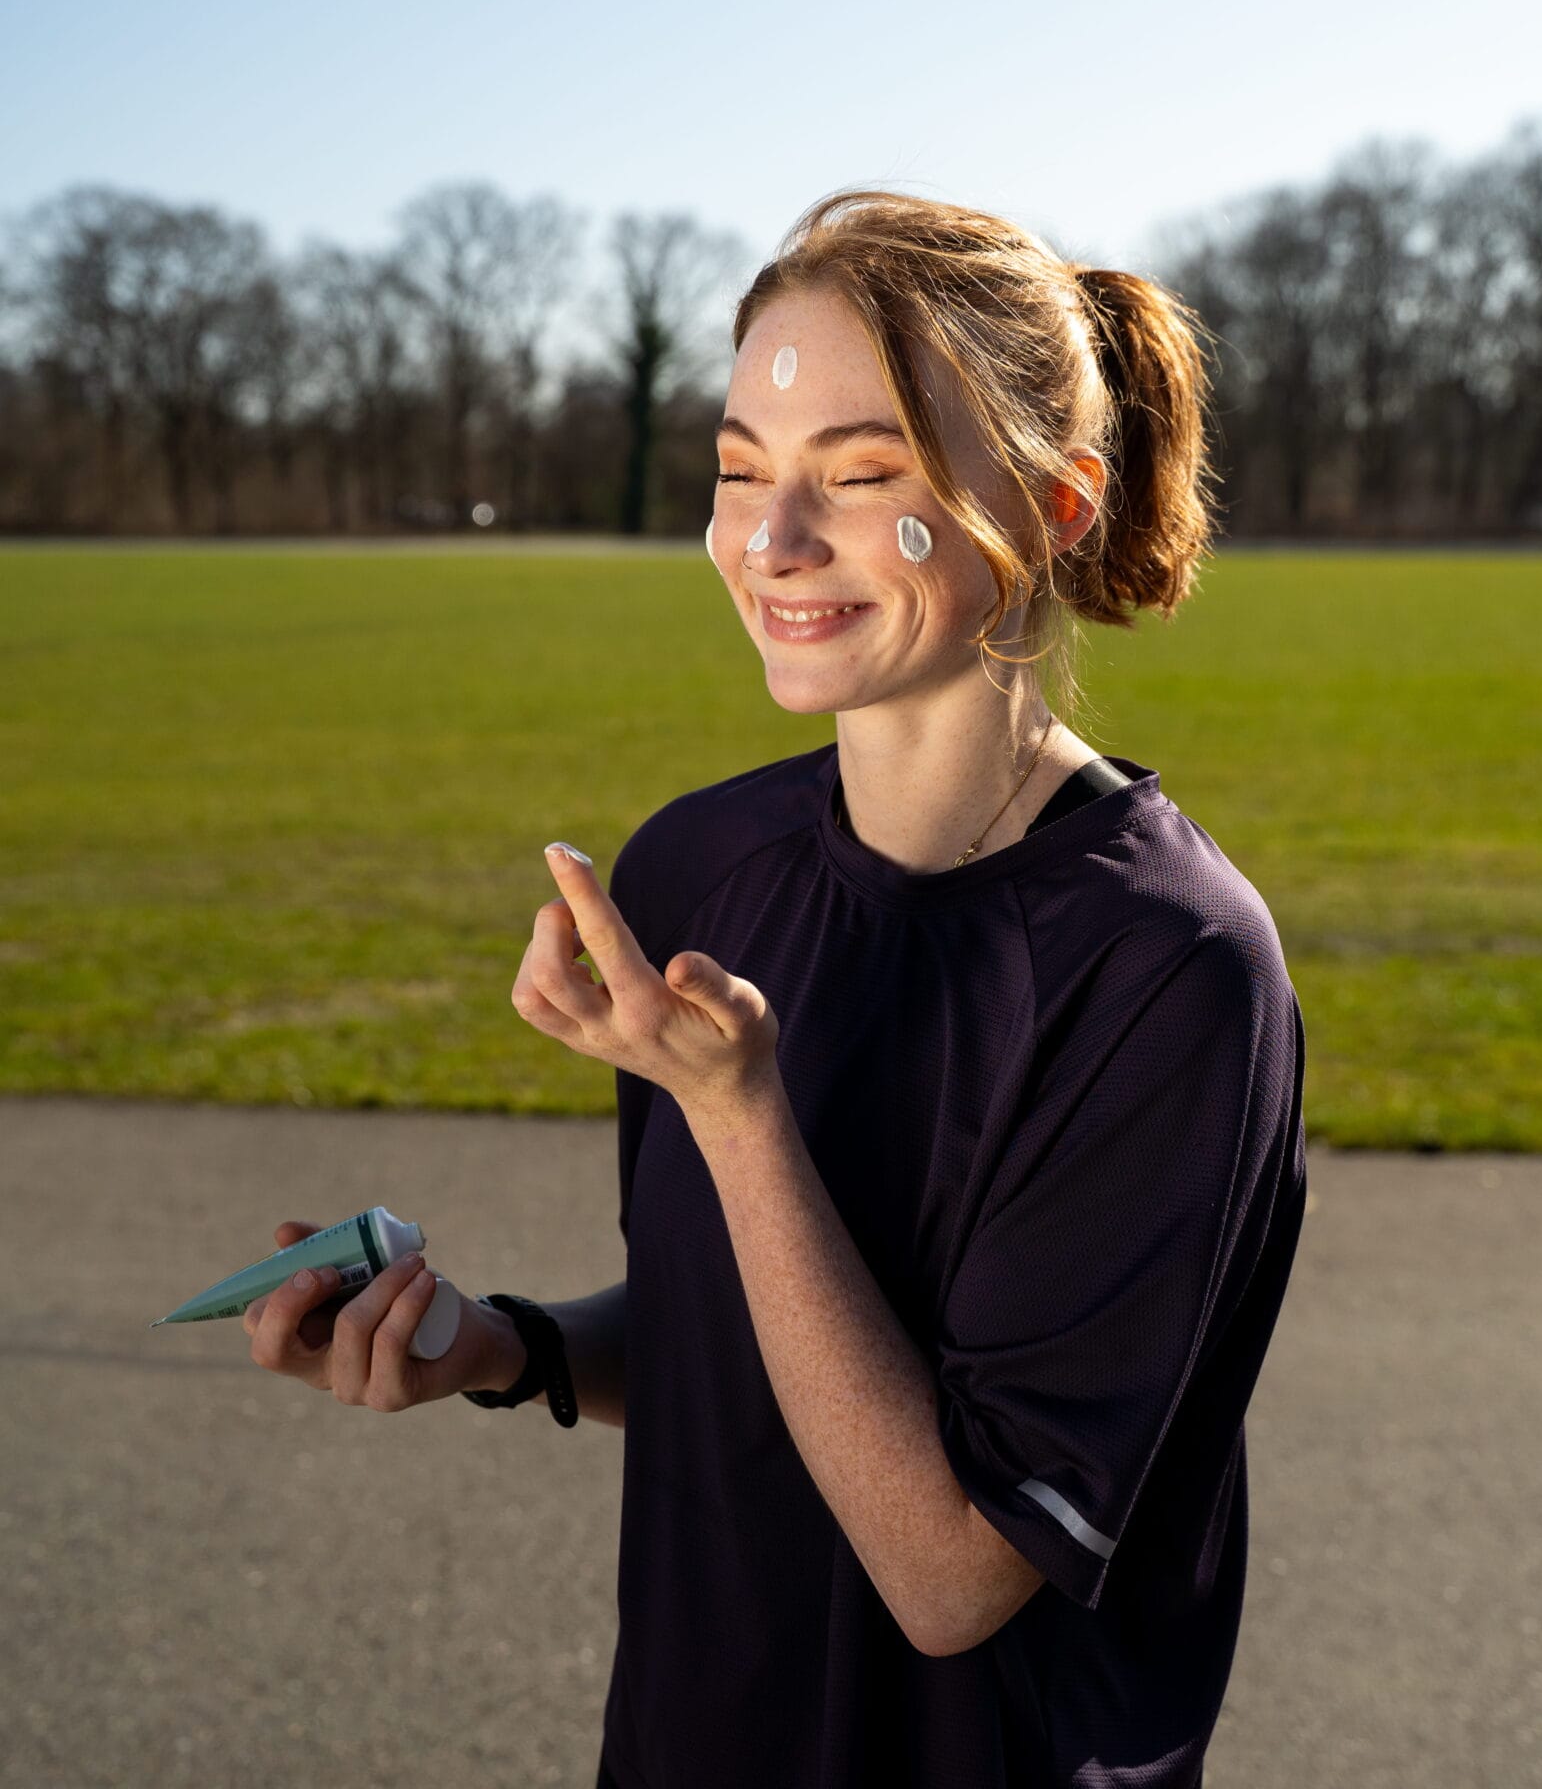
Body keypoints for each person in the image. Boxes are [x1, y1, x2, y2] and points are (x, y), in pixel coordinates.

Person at [243, 188, 1309, 1789]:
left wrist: (739, 1113)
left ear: (1064, 505)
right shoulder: (696, 870)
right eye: (741, 470)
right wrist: (500, 1346)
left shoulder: (1172, 970)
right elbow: (741, 1350)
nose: (773, 541)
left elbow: (956, 1574)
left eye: (862, 476)